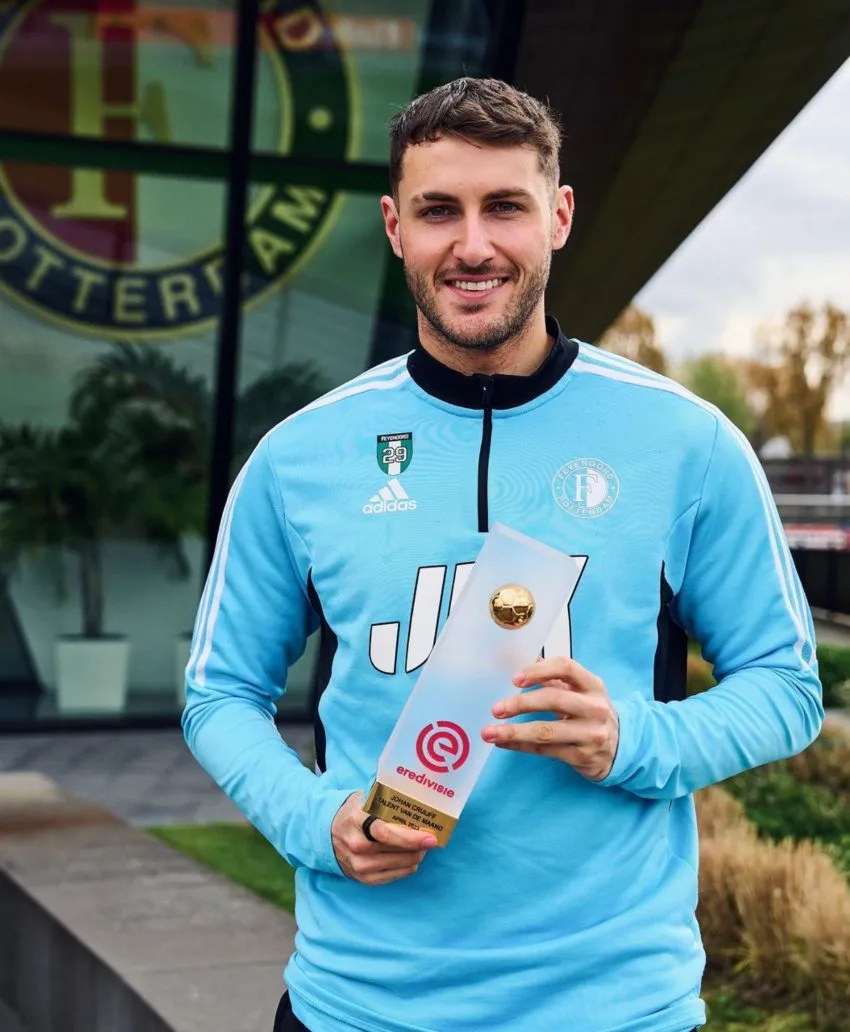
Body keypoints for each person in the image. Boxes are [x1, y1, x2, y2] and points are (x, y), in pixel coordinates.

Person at [182, 77, 823, 1032]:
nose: (472, 245)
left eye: (506, 207)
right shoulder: (299, 457)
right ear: (396, 228)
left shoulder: (688, 442)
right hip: (362, 1005)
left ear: (558, 217)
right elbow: (217, 691)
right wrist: (314, 821)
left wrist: (633, 739)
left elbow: (788, 685)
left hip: (619, 1009)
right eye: (440, 210)